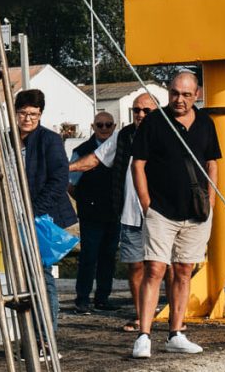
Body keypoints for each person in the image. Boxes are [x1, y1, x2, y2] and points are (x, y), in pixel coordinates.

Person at [131, 72, 221, 358]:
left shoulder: (206, 123)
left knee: (184, 270)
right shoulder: (154, 122)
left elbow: (212, 163)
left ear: (197, 95)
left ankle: (176, 332)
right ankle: (143, 335)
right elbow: (138, 164)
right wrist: (146, 202)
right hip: (161, 209)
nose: (179, 99)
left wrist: (212, 199)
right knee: (155, 269)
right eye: (174, 93)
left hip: (196, 211)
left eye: (185, 94)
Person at [70, 93, 174, 332]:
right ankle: (140, 316)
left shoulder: (168, 133)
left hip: (163, 213)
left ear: (157, 111)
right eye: (136, 110)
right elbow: (93, 160)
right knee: (135, 266)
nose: (140, 115)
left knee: (165, 267)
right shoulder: (123, 136)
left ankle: (173, 315)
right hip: (130, 215)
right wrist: (61, 168)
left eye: (146, 111)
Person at [15, 89, 76, 331]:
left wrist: (34, 210)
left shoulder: (49, 140)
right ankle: (29, 331)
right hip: (14, 214)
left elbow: (59, 179)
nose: (28, 119)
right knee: (22, 274)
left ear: (40, 115)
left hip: (42, 216)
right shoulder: (7, 139)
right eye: (23, 113)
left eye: (34, 114)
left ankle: (45, 332)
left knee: (41, 272)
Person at [69, 112, 120, 313]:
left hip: (113, 212)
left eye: (108, 125)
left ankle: (103, 297)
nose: (104, 128)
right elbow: (71, 183)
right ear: (93, 126)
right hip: (90, 212)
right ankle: (82, 298)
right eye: (100, 125)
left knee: (109, 256)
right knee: (89, 256)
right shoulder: (81, 151)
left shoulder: (119, 150)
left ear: (114, 126)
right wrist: (83, 200)